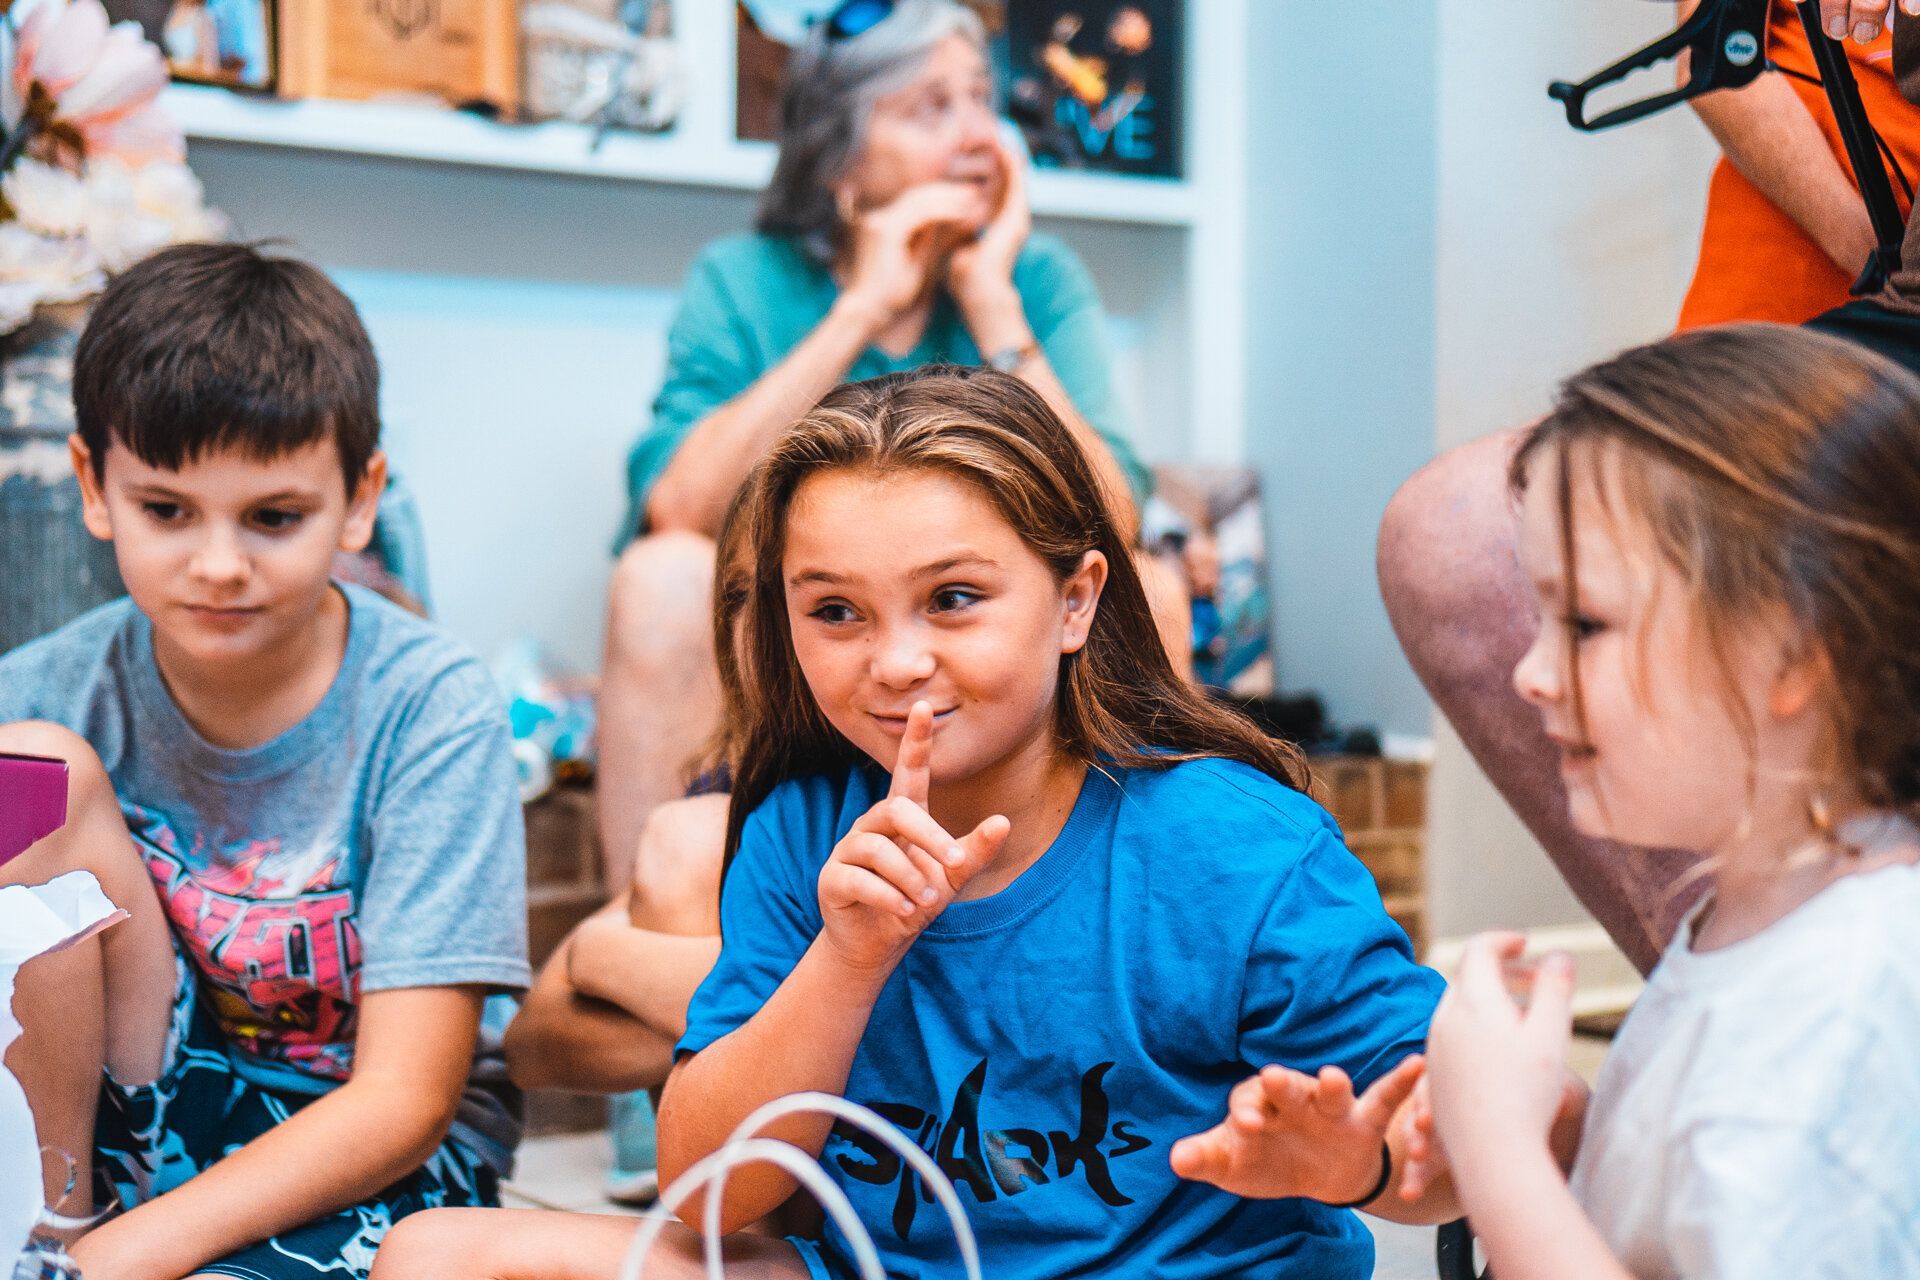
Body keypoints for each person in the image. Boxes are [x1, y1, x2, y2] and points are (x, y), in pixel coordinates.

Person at [372, 366, 1450, 1280]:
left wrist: (1355, 1165)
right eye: (835, 610)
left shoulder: (1240, 851)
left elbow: (1455, 1150)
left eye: (952, 599)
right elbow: (707, 1191)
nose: (893, 664)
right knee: (431, 1253)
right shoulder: (800, 826)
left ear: (1076, 600)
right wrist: (848, 955)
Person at [0, 242, 531, 1280]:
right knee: (33, 768)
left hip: (379, 1157)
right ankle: (45, 1232)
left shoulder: (433, 706)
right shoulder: (44, 686)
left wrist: (135, 1254)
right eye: (166, 510)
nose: (218, 564)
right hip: (139, 1118)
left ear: (360, 497)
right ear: (93, 487)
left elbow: (406, 1098)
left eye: (275, 518)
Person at [1379, 0, 1920, 973]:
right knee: (1457, 532)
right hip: (1893, 301)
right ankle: (1723, 991)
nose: (1553, 680)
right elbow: (1725, 55)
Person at [596, 0, 1155, 894]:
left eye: (981, 99)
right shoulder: (742, 279)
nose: (980, 136)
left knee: (1154, 578)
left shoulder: (1035, 276)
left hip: (983, 670)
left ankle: (1123, 901)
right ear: (842, 154)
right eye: (932, 108)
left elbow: (1115, 522)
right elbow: (679, 508)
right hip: (809, 650)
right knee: (657, 578)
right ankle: (648, 909)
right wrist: (861, 304)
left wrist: (990, 300)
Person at [1404, 325, 1920, 1275]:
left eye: (1585, 624)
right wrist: (1567, 1137)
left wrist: (1501, 1157)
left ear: (1799, 653)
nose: (1529, 674)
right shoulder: (1755, 920)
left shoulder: (1844, 1005)